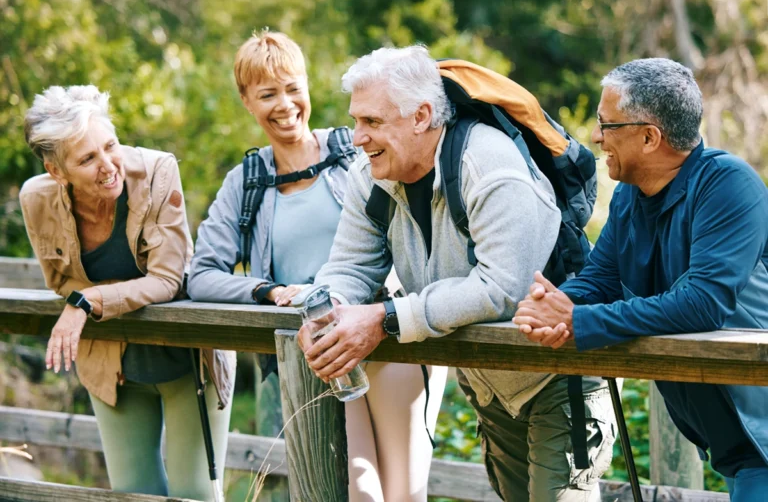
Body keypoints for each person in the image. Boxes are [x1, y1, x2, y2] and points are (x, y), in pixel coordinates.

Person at [299, 45, 616, 502]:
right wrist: (327, 310)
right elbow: (350, 265)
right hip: (492, 384)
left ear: (421, 116)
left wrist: (385, 319)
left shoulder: (488, 162)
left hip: (560, 375)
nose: (356, 137)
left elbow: (504, 290)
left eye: (371, 122)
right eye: (355, 121)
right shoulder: (371, 176)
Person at [187, 31, 447, 502]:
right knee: (355, 491)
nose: (284, 104)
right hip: (318, 355)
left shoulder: (358, 151)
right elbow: (200, 274)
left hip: (389, 332)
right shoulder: (244, 182)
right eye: (267, 94)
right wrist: (268, 291)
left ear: (308, 87)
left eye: (292, 88)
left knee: (405, 494)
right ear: (247, 101)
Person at [514, 58, 768, 501]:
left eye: (606, 124)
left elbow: (702, 302)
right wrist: (553, 306)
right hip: (736, 441)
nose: (595, 137)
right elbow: (601, 279)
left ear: (650, 137)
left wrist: (580, 321)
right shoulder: (631, 196)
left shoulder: (729, 185)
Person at [19, 85, 235, 500]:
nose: (107, 165)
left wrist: (89, 301)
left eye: (110, 145)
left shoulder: (157, 171)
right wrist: (84, 299)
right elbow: (61, 282)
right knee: (133, 495)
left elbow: (168, 279)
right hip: (111, 366)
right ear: (57, 171)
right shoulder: (36, 199)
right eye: (87, 159)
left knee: (196, 496)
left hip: (188, 362)